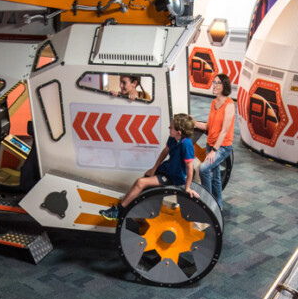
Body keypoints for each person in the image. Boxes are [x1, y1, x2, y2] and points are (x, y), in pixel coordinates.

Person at [100, 114, 197, 220]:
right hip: (167, 170)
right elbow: (165, 151)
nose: (169, 128)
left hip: (174, 177)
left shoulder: (186, 145)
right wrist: (154, 169)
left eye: (171, 127)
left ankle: (118, 212)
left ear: (179, 132)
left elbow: (189, 167)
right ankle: (131, 205)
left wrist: (187, 188)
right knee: (146, 175)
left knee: (140, 182)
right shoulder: (173, 138)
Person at [197, 74, 235, 212]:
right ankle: (218, 206)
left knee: (204, 169)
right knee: (216, 176)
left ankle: (207, 202)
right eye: (214, 82)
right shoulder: (214, 103)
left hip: (222, 147)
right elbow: (208, 126)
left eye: (218, 83)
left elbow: (224, 131)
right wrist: (193, 122)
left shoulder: (229, 105)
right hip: (210, 143)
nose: (214, 85)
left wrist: (214, 151)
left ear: (224, 86)